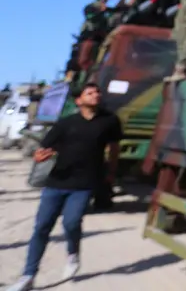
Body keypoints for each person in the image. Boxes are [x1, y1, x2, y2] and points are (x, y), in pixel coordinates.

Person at [5, 83, 121, 291]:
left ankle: (72, 254)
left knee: (71, 223)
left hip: (85, 184)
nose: (96, 95)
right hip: (57, 182)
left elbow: (114, 148)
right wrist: (40, 156)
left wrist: (111, 172)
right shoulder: (65, 123)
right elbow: (43, 151)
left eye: (97, 92)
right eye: (90, 93)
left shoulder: (109, 121)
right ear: (79, 100)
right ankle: (28, 276)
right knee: (41, 228)